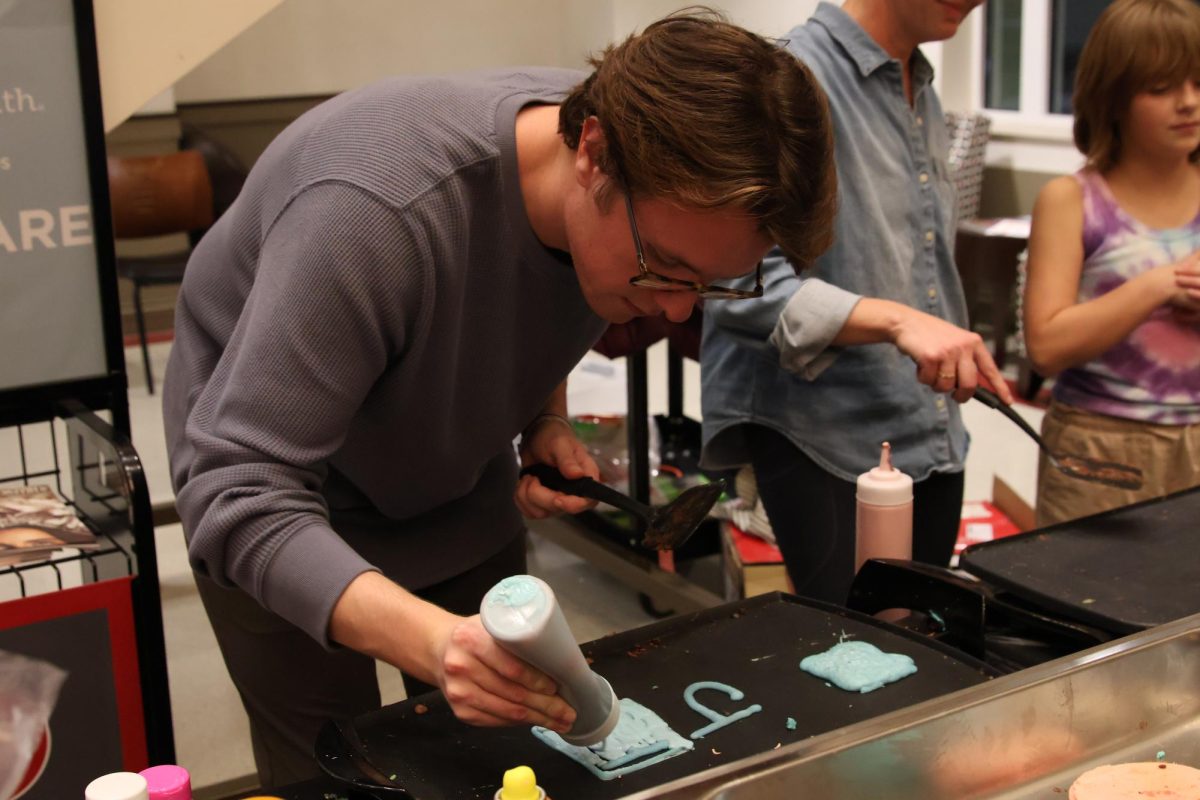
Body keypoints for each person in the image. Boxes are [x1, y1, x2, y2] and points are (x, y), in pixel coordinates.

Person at [162, 10, 837, 784]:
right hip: (281, 499)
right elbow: (238, 491)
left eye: (712, 283)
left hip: (451, 483)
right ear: (593, 155)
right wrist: (435, 643)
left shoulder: (615, 156)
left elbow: (533, 280)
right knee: (334, 769)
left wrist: (539, 414)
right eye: (669, 269)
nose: (679, 310)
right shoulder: (373, 210)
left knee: (506, 760)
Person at [700, 0, 1014, 606]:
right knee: (853, 656)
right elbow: (735, 285)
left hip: (928, 426)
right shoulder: (789, 79)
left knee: (925, 641)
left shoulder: (918, 86)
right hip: (826, 438)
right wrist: (896, 321)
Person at [1023, 0, 1200, 528]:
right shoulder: (1071, 200)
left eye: (1197, 81)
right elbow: (1046, 348)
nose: (1188, 103)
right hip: (1099, 452)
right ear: (1114, 98)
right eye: (1162, 87)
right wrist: (1157, 286)